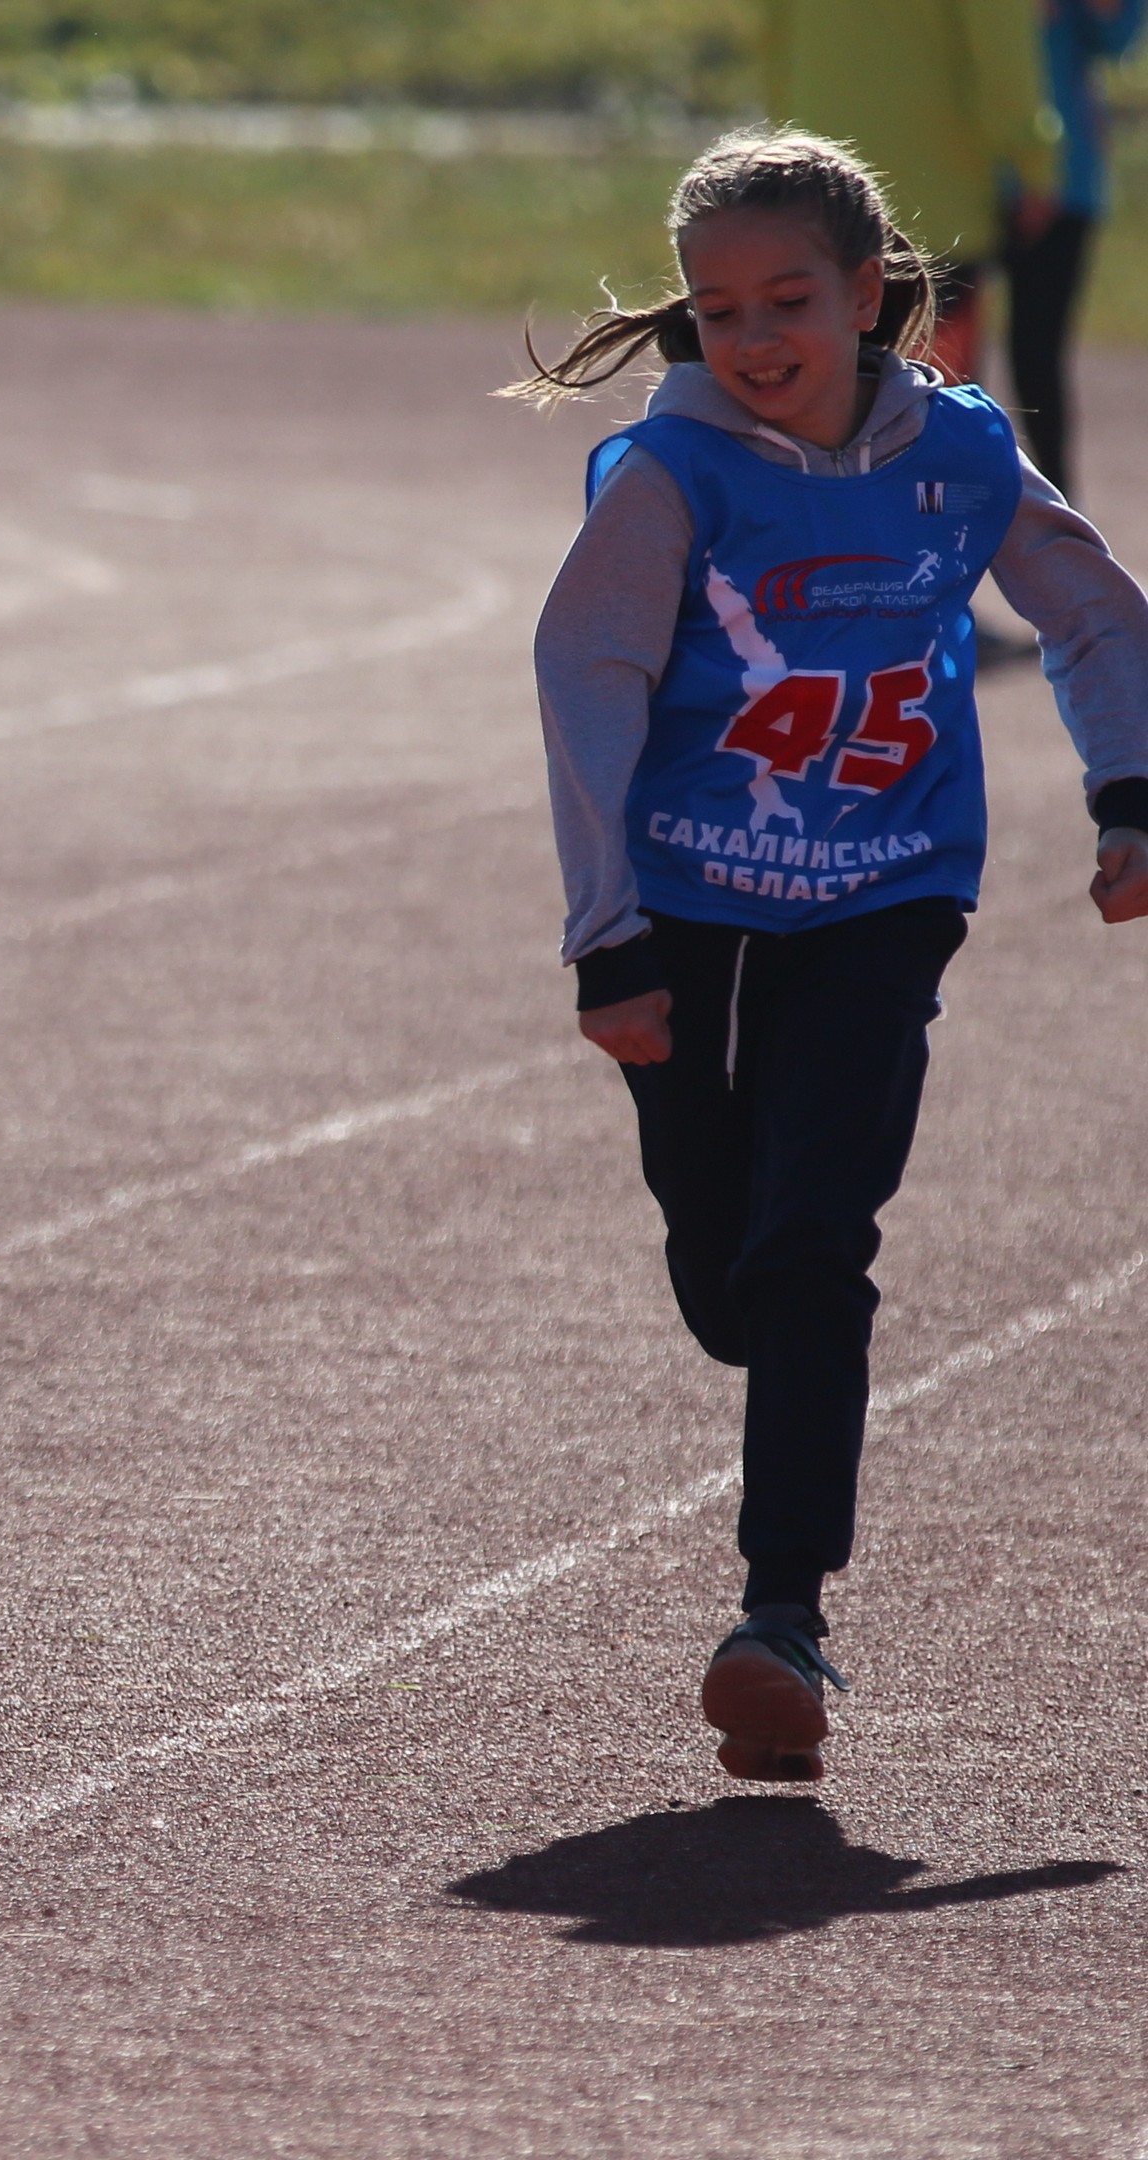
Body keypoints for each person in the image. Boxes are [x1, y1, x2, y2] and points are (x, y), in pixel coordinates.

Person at [511, 129, 1148, 1781]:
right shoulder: (670, 478)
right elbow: (582, 674)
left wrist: (1129, 791)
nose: (752, 336)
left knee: (813, 1250)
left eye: (787, 298)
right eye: (717, 309)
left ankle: (777, 1619)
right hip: (690, 911)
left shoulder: (954, 453)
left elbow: (1085, 611)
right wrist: (605, 937)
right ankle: (764, 1375)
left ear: (869, 298)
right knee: (731, 1288)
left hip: (884, 897)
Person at [760, 0, 1063, 383]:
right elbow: (1003, 65)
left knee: (824, 398)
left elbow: (775, 50)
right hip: (936, 209)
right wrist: (1034, 164)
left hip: (818, 199)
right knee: (937, 409)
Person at [1003, 0, 1144, 497]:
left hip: (1065, 176)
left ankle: (1058, 506)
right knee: (939, 350)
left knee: (1037, 355)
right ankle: (934, 498)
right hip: (966, 175)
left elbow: (1116, 37)